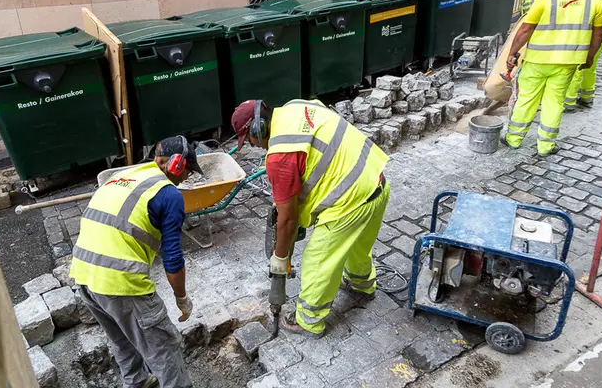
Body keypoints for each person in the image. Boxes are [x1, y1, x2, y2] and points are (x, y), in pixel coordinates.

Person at [231, 99, 390, 337]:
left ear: (258, 128)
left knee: (318, 260)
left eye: (249, 140)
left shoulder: (280, 156)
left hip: (350, 202)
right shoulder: (296, 106)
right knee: (357, 246)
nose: (254, 145)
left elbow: (288, 220)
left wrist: (280, 258)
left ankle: (308, 320)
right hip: (376, 181)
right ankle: (361, 284)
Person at [70, 135, 204, 388]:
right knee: (164, 347)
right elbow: (172, 257)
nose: (187, 177)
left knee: (122, 340)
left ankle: (138, 381)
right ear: (176, 164)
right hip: (120, 282)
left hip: (84, 276)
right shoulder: (169, 194)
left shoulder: (124, 175)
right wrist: (181, 298)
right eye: (188, 171)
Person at [502, 0, 602, 156]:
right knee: (554, 101)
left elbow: (525, 29)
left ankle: (513, 139)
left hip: (537, 60)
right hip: (568, 61)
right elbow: (598, 34)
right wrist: (590, 57)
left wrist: (512, 54)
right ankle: (545, 146)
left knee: (527, 98)